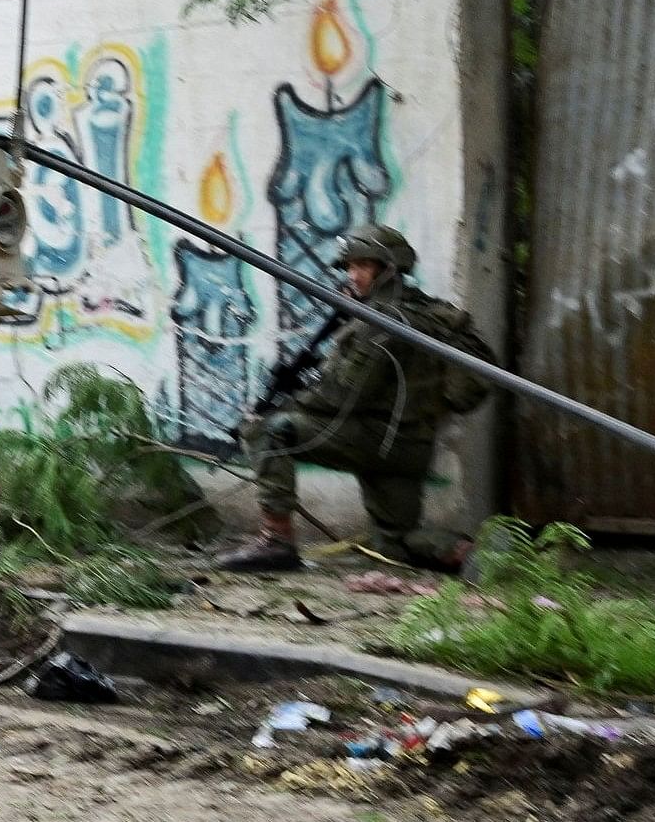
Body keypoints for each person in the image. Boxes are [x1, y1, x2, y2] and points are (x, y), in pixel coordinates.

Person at [210, 223, 493, 574]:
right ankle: (471, 554)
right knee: (397, 541)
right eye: (351, 267)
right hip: (410, 445)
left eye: (361, 266)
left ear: (387, 269)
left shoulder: (381, 321)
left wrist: (283, 407)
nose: (353, 275)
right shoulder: (425, 311)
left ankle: (276, 542)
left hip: (376, 438)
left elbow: (343, 395)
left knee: (269, 432)